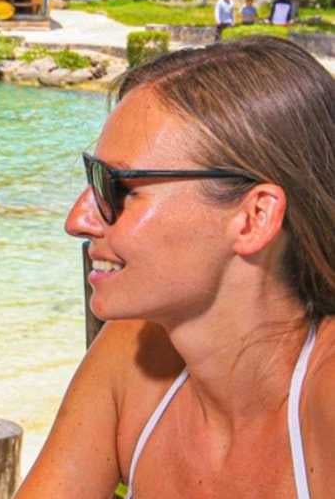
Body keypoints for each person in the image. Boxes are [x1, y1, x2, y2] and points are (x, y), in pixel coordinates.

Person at [17, 36, 335, 497]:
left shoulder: (323, 402)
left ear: (254, 217)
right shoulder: (130, 356)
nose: (77, 220)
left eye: (118, 188)